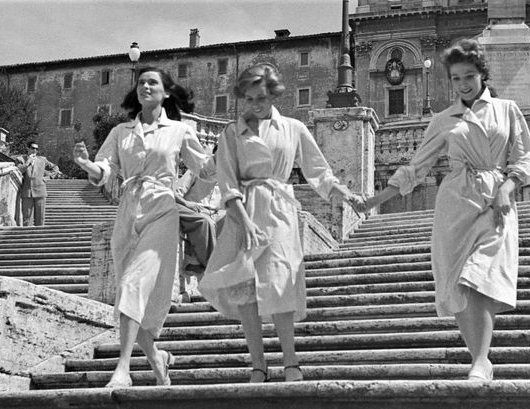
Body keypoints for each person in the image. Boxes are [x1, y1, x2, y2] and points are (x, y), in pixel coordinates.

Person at [363, 39, 530, 382]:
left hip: (495, 204)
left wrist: (507, 187)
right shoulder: (443, 120)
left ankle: (481, 359)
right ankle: (480, 360)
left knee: (479, 277)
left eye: (469, 75)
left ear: (482, 74)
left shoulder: (507, 110)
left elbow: (523, 157)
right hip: (455, 204)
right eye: (456, 78)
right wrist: (374, 200)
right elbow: (416, 168)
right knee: (459, 284)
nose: (463, 83)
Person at [198, 64, 364, 383]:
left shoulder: (293, 128)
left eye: (260, 97)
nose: (254, 105)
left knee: (280, 282)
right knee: (245, 290)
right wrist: (243, 221)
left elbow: (318, 171)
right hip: (242, 212)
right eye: (248, 99)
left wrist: (343, 192)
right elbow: (228, 182)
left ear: (273, 94)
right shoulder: (232, 133)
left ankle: (291, 362)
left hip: (278, 211)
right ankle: (258, 365)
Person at [72, 66, 213, 388]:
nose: (145, 86)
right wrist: (86, 165)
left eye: (153, 82)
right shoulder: (121, 132)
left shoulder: (179, 131)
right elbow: (105, 169)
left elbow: (205, 170)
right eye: (141, 82)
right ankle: (156, 357)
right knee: (127, 290)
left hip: (162, 210)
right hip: (128, 211)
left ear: (165, 92)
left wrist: (232, 153)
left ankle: (123, 369)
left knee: (134, 284)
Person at [175, 145, 225, 277]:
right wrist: (187, 204)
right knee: (205, 222)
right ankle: (211, 266)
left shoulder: (228, 175)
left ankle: (200, 263)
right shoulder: (197, 169)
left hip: (215, 212)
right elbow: (177, 192)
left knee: (236, 220)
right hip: (193, 208)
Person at [15, 141, 59, 226]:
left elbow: (55, 168)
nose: (35, 150)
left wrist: (48, 177)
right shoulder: (20, 159)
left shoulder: (42, 159)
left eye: (36, 149)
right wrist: (28, 162)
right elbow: (19, 170)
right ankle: (27, 237)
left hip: (40, 190)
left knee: (40, 218)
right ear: (27, 148)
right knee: (27, 219)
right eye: (32, 148)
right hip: (27, 192)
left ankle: (40, 235)